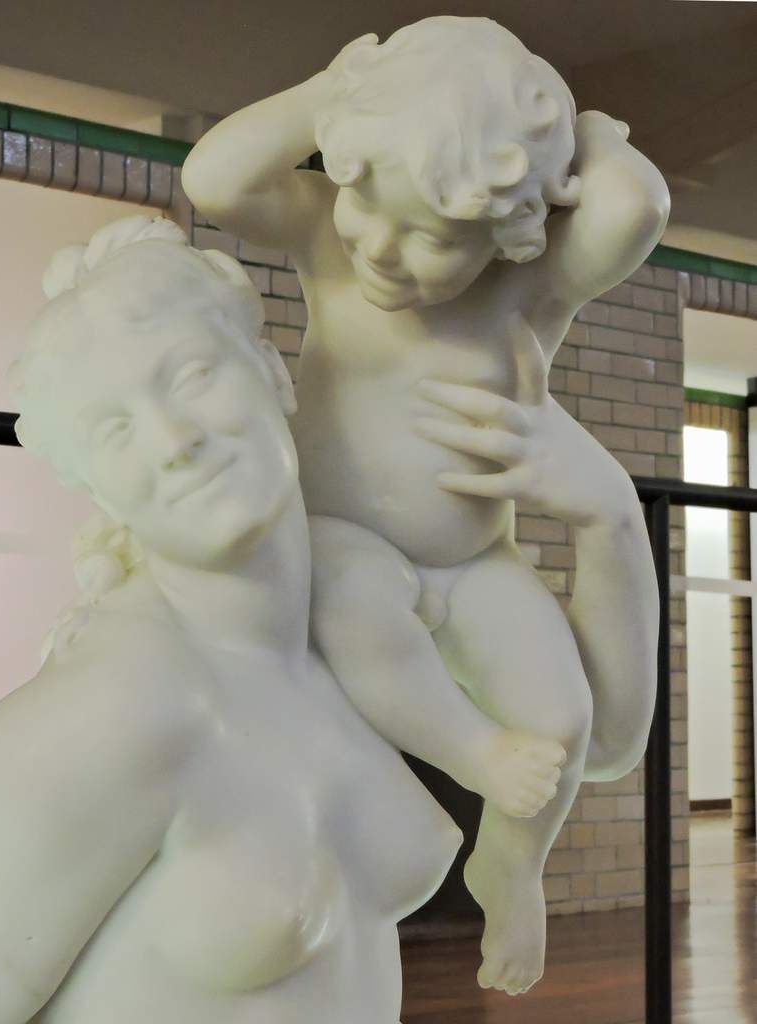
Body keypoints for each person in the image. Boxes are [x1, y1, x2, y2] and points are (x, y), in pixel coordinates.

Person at [182, 15, 666, 994]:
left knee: (563, 716)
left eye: (434, 238)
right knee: (355, 597)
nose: (385, 250)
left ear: (510, 233)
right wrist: (336, 93)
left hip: (475, 562)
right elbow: (214, 178)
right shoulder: (326, 241)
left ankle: (510, 866)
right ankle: (477, 754)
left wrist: (591, 142)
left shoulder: (525, 292)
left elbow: (634, 209)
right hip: (340, 540)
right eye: (368, 207)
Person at [0, 215, 463, 1024]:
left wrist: (605, 519)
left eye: (191, 375)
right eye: (115, 429)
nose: (174, 441)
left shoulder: (362, 634)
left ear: (272, 373)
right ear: (94, 484)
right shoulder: (109, 709)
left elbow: (605, 742)